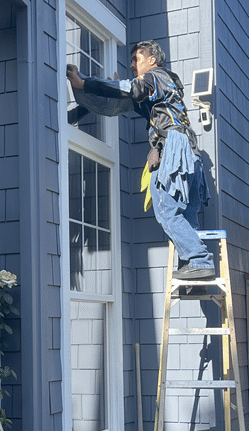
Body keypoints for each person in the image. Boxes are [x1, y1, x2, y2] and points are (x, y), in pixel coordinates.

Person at [66, 39, 215, 280]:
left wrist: (85, 83)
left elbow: (128, 88)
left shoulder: (156, 77)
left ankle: (199, 260)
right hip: (190, 155)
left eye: (136, 59)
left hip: (175, 149)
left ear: (152, 60)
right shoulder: (162, 92)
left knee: (166, 209)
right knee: (186, 215)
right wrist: (76, 111)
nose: (132, 65)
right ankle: (193, 269)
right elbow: (116, 102)